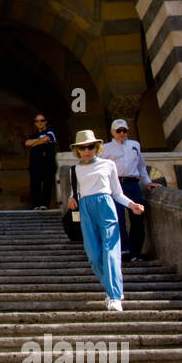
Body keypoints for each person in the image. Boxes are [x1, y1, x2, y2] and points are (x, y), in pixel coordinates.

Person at [67, 128, 144, 312]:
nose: (87, 151)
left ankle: (114, 295)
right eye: (83, 148)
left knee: (111, 252)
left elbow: (117, 192)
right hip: (86, 209)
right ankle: (113, 287)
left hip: (106, 205)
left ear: (97, 147)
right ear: (77, 150)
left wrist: (131, 204)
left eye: (90, 146)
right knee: (93, 256)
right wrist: (71, 200)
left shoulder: (108, 165)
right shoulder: (74, 169)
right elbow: (74, 193)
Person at [100, 119, 159, 262]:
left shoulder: (135, 145)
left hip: (133, 185)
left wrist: (148, 182)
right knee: (118, 218)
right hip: (116, 185)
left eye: (124, 130)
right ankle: (123, 250)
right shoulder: (105, 148)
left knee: (138, 217)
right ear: (113, 132)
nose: (122, 133)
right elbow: (100, 168)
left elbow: (141, 167)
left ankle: (135, 252)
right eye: (118, 131)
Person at [25, 113, 58, 209]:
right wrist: (40, 140)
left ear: (46, 122)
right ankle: (36, 205)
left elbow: (47, 138)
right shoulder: (33, 135)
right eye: (37, 121)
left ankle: (44, 205)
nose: (39, 123)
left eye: (42, 120)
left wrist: (33, 143)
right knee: (35, 184)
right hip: (35, 164)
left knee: (47, 184)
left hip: (48, 163)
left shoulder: (50, 131)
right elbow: (27, 143)